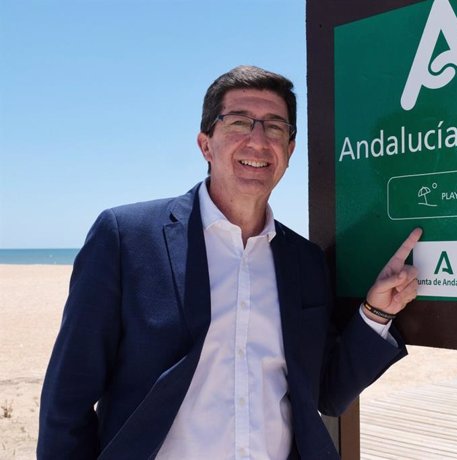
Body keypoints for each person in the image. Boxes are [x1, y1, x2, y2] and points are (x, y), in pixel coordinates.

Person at [37, 65, 422, 459]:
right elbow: (66, 401)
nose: (258, 141)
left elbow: (325, 392)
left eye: (275, 127)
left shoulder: (305, 260)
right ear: (206, 144)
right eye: (239, 123)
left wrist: (376, 312)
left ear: (289, 150)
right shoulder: (125, 237)